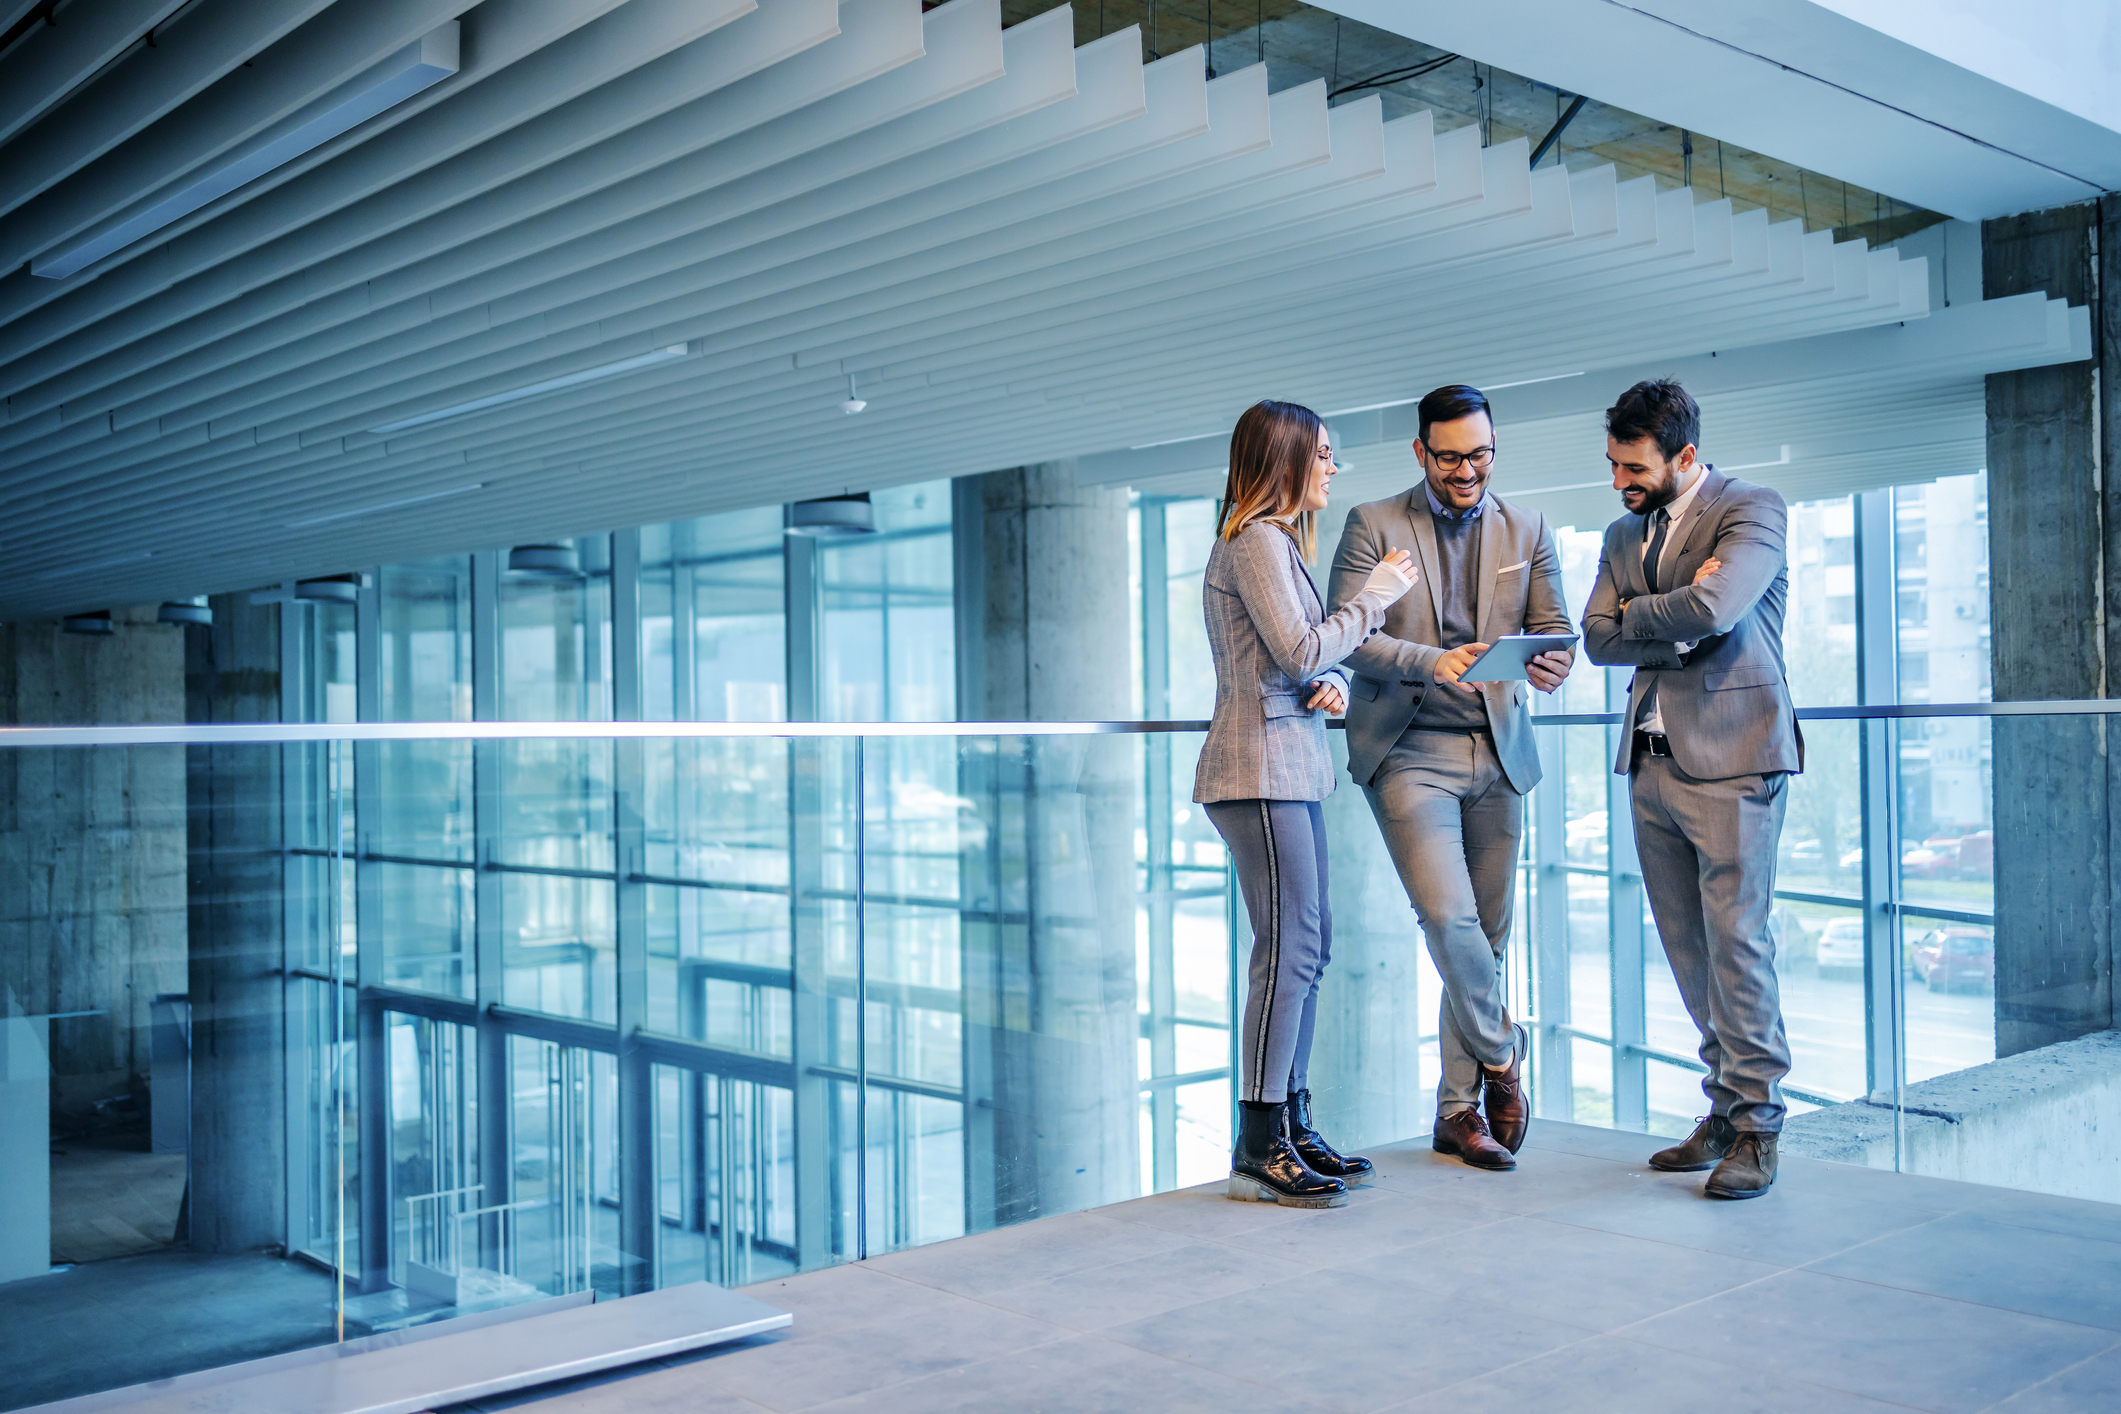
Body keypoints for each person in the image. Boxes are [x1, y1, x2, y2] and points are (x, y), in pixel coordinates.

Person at [1327, 384, 1575, 1172]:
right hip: (1408, 749)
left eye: (1480, 454)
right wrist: (1435, 661)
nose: (1468, 471)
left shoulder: (1526, 527)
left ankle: (1457, 1113)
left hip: (1498, 748)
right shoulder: (1373, 523)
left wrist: (1551, 660)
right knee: (1448, 920)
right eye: (1451, 457)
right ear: (1419, 452)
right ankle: (1506, 1054)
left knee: (1486, 939)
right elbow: (1349, 637)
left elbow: (1550, 627)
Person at [1581, 378, 1803, 1200]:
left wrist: (1654, 612)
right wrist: (1671, 621)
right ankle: (1720, 1108)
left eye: (1632, 467)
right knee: (1687, 950)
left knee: (1737, 942)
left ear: (1683, 455)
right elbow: (1595, 638)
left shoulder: (1752, 509)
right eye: (1612, 465)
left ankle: (1757, 1127)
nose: (1618, 483)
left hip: (1735, 756)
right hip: (1649, 759)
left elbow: (1717, 601)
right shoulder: (1619, 532)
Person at [1197, 398, 1418, 1208]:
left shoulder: (1273, 544)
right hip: (1256, 773)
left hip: (1283, 768)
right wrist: (1375, 595)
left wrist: (1319, 681)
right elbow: (1295, 644)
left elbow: (1286, 662)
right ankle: (1260, 1141)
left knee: (1307, 948)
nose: (1332, 467)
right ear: (1285, 459)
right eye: (1322, 454)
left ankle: (1287, 1121)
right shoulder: (1255, 539)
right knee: (1287, 952)